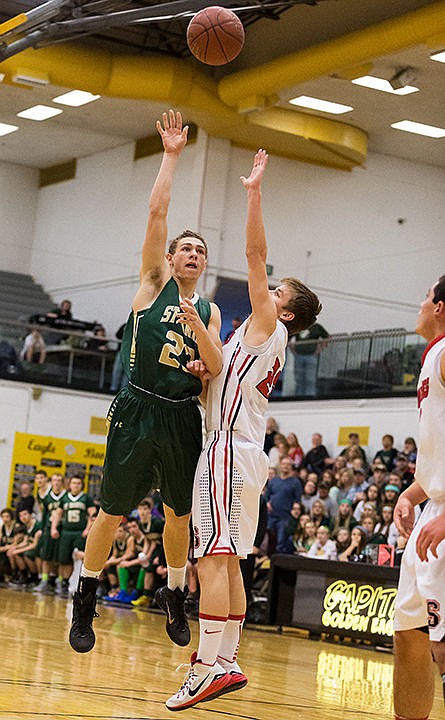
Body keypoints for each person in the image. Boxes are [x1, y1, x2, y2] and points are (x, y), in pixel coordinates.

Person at [166, 149, 322, 710]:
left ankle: (204, 667)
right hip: (242, 451)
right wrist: (202, 362)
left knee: (210, 559)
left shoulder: (264, 326)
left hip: (228, 452)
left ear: (283, 313)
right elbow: (216, 379)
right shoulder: (253, 339)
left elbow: (255, 252)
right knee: (226, 559)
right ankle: (226, 660)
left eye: (276, 292)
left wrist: (254, 193)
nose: (267, 290)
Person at [69, 110, 222, 654]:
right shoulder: (153, 282)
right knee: (112, 510)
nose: (194, 255)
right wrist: (172, 155)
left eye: (201, 251)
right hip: (138, 407)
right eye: (187, 248)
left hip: (182, 415)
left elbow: (216, 369)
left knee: (179, 514)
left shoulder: (208, 309)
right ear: (170, 257)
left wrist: (200, 329)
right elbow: (157, 210)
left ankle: (176, 595)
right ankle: (84, 597)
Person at [393, 274, 445, 720]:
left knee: (443, 643)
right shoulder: (433, 358)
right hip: (431, 508)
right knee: (409, 633)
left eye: (426, 296)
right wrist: (411, 492)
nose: (421, 303)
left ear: (442, 307)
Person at [290, 320, 328, 397]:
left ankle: (309, 398)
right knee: (299, 380)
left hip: (311, 356)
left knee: (310, 379)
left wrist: (320, 349)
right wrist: (293, 350)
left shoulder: (317, 327)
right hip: (299, 357)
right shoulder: (299, 326)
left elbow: (326, 337)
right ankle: (298, 398)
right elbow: (289, 338)